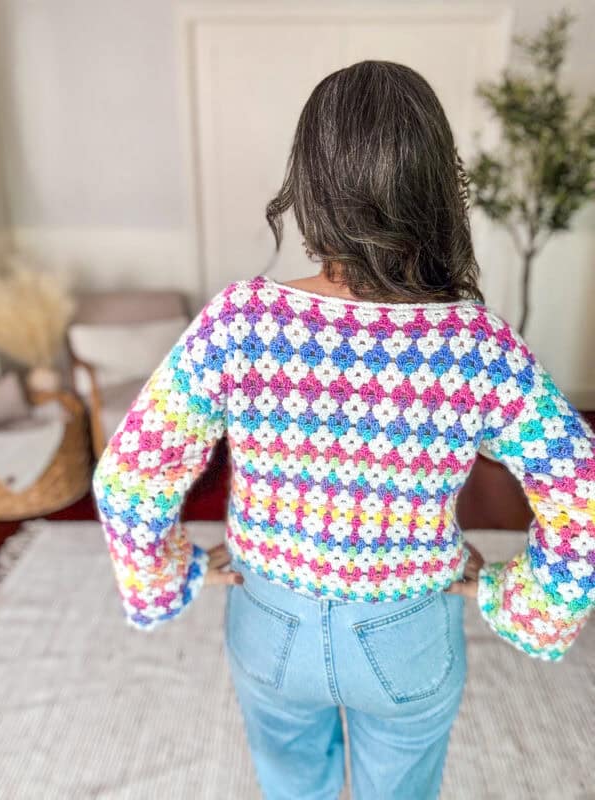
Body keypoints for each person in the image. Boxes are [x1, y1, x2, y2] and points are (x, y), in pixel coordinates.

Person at [92, 60, 595, 800]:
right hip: (406, 633)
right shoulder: (476, 343)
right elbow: (580, 489)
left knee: (293, 785)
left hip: (270, 622)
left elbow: (129, 476)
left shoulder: (240, 321)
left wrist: (177, 571)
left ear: (310, 185)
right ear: (435, 184)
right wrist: (521, 601)